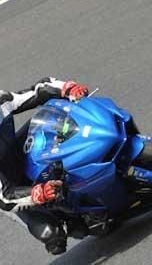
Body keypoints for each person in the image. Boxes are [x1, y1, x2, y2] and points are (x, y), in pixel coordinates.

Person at [0, 77, 88, 254]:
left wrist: (66, 89)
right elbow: (6, 198)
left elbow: (37, 91)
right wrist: (36, 194)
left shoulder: (1, 101)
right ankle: (66, 223)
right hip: (11, 187)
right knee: (52, 234)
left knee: (53, 117)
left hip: (17, 151)